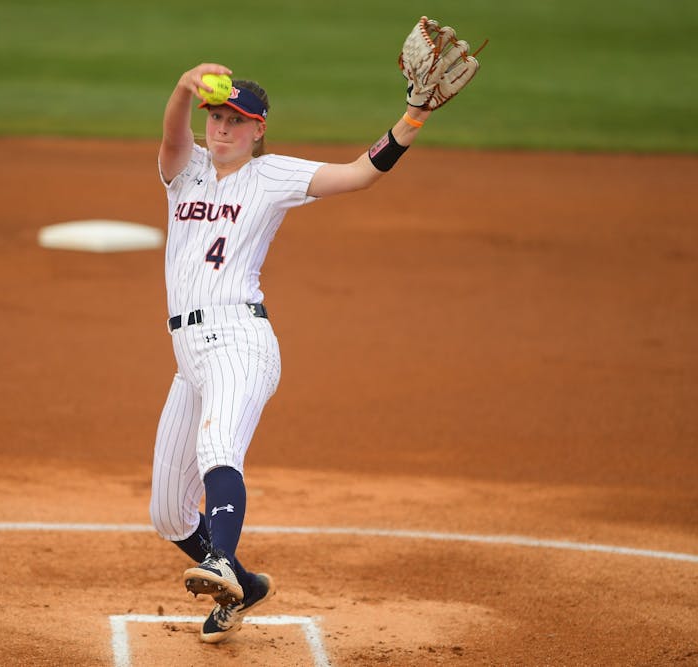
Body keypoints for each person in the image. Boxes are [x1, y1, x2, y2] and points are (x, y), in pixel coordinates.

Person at [149, 24, 476, 644]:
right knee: (166, 511)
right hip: (187, 355)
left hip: (240, 343)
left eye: (236, 121)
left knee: (220, 448)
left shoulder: (273, 178)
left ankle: (221, 560)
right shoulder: (184, 170)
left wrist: (413, 118)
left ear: (258, 128)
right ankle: (244, 582)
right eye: (216, 117)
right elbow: (172, 132)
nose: (222, 128)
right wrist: (183, 87)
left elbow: (358, 174)